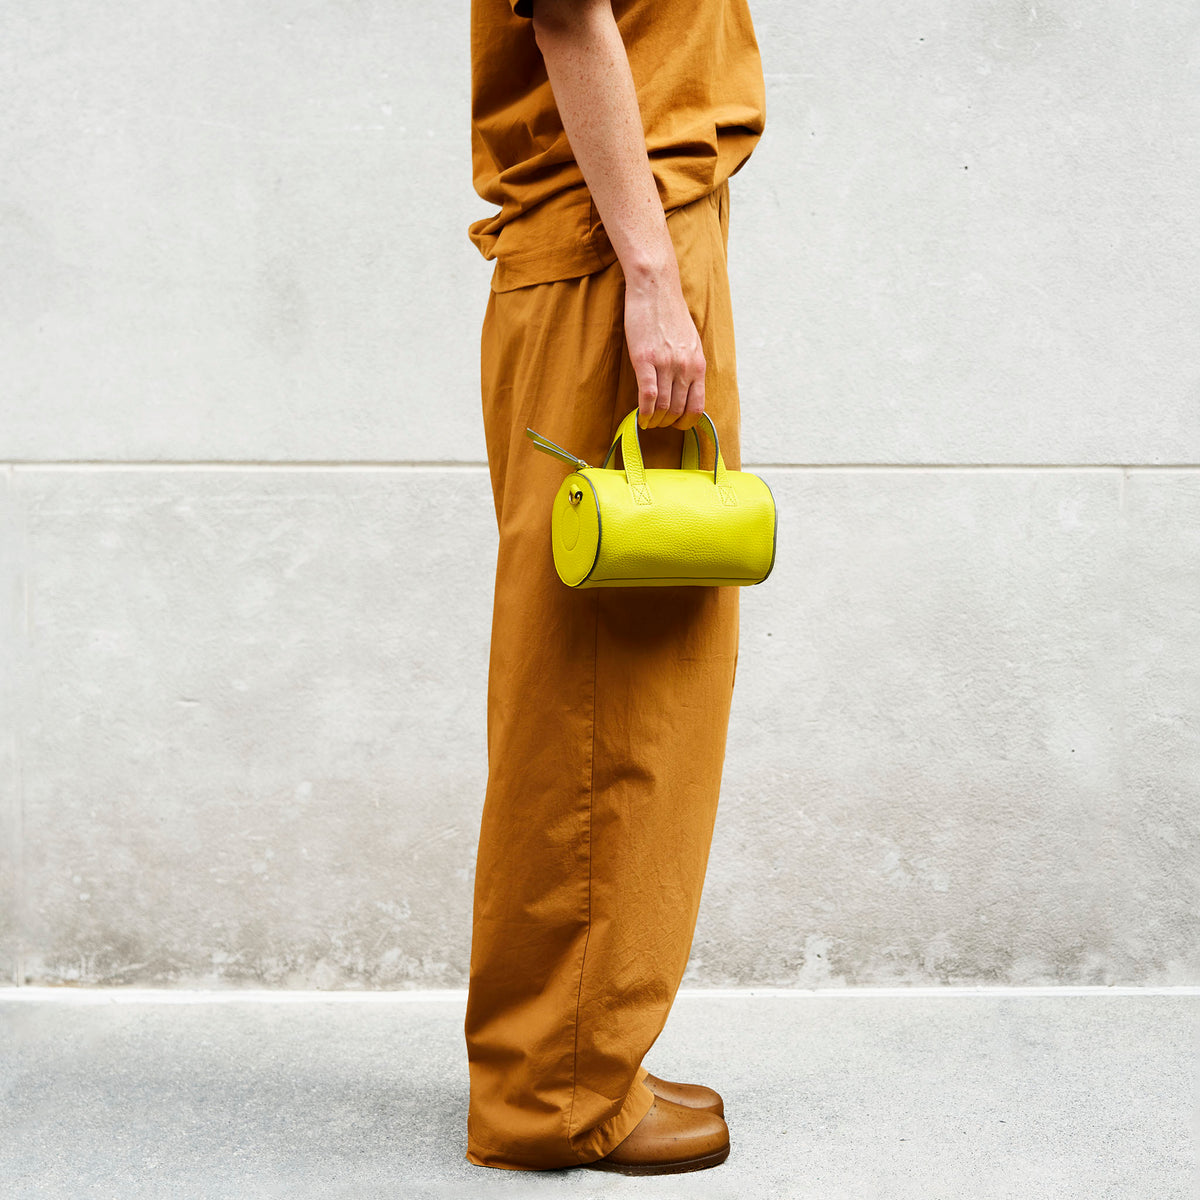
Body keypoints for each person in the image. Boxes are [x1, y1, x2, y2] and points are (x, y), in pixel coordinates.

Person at [464, 0, 766, 1176]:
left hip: (626, 231)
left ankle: (582, 1051)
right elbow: (574, 19)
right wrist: (649, 270)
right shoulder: (630, 257)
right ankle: (557, 1092)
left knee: (632, 686)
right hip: (613, 244)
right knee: (602, 696)